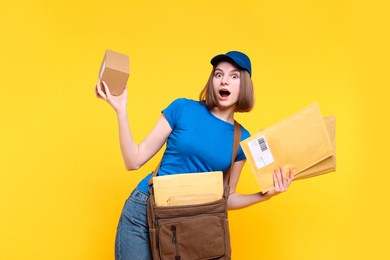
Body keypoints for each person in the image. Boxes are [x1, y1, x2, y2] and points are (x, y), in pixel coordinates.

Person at [95, 51, 294, 260]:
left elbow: (227, 198)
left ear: (244, 86)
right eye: (218, 74)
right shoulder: (182, 108)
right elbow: (133, 161)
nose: (224, 80)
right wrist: (121, 110)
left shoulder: (241, 139)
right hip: (144, 212)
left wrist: (264, 196)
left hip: (187, 224)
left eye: (234, 76)